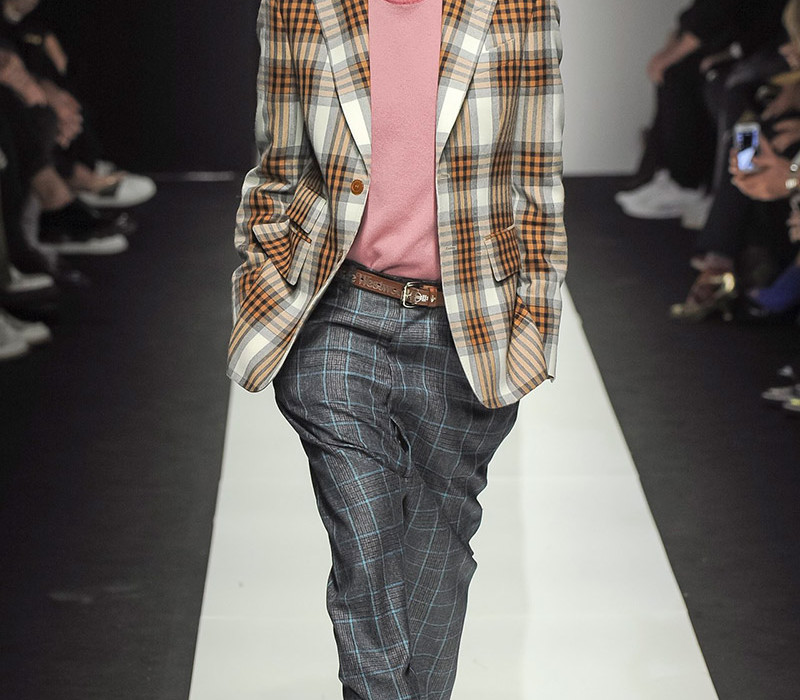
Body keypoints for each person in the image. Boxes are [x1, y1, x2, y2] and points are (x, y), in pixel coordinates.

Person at [227, 0, 566, 696]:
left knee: (438, 554)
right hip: (338, 311)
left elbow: (537, 177)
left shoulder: (519, 6)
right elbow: (277, 166)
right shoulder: (299, 4)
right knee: (365, 545)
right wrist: (264, 280)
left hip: (465, 323)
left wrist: (535, 323)